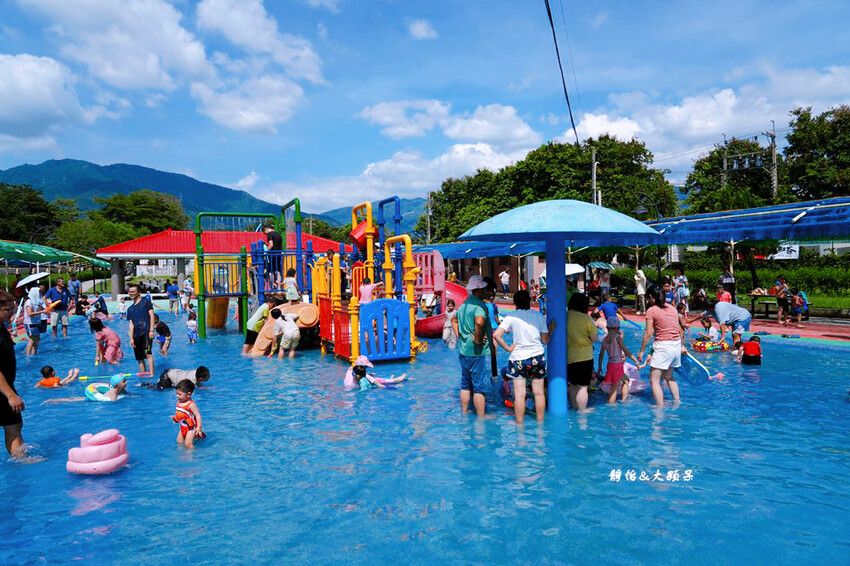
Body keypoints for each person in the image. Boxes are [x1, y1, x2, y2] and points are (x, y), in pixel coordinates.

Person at [492, 290, 554, 424]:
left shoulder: (511, 317)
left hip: (518, 358)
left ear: (515, 303)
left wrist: (508, 348)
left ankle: (519, 426)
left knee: (519, 395)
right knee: (539, 393)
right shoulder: (538, 316)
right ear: (530, 301)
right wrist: (552, 329)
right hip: (537, 357)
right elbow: (545, 341)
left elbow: (496, 335)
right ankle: (540, 424)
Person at [451, 275, 491, 417]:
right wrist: (478, 338)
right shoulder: (480, 306)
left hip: (463, 350)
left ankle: (464, 412)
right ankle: (481, 417)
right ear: (478, 290)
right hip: (476, 351)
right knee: (479, 387)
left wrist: (459, 334)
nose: (486, 291)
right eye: (484, 289)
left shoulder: (463, 305)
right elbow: (480, 322)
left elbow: (454, 320)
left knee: (465, 383)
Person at [638, 285, 683, 406]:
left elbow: (648, 333)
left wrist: (642, 351)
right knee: (669, 377)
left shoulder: (651, 310)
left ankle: (659, 409)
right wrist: (682, 346)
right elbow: (679, 330)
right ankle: (677, 403)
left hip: (664, 347)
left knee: (654, 380)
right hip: (676, 346)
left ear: (652, 297)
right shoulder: (673, 308)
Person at [0, 291, 26, 458]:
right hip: (4, 390)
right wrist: (10, 395)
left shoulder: (2, 327)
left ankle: (20, 462)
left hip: (5, 388)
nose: (12, 312)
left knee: (14, 426)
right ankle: (21, 462)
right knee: (13, 427)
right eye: (8, 309)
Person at [566, 292, 598, 411]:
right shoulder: (586, 319)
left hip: (569, 357)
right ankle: (582, 410)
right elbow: (594, 338)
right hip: (584, 357)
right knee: (583, 387)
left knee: (573, 384)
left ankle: (574, 406)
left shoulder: (564, 316)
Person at [597, 329, 639, 403]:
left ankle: (623, 400)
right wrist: (635, 360)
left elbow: (601, 355)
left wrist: (600, 366)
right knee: (614, 387)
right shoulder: (617, 339)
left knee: (626, 380)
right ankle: (613, 404)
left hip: (610, 365)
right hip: (617, 365)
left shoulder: (605, 340)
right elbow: (626, 351)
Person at [126, 284, 155, 375]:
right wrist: (131, 338)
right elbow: (131, 324)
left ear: (139, 292)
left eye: (133, 291)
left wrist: (151, 330)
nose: (131, 293)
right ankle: (142, 375)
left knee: (148, 354)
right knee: (139, 358)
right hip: (136, 335)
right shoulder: (130, 309)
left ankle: (151, 374)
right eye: (130, 292)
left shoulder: (146, 302)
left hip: (146, 332)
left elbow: (152, 315)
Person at [173, 379, 204, 449]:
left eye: (179, 394)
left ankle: (192, 457)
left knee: (188, 444)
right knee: (179, 441)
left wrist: (199, 427)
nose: (177, 396)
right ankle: (181, 457)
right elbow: (181, 414)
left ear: (189, 394)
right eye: (176, 394)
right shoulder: (179, 402)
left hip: (191, 428)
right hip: (183, 427)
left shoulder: (191, 405)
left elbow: (197, 415)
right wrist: (176, 419)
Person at [23, 286, 48, 357]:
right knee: (31, 340)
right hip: (30, 323)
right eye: (39, 292)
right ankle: (28, 357)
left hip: (36, 322)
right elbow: (29, 313)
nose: (40, 293)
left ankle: (34, 354)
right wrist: (42, 311)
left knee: (37, 339)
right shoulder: (29, 302)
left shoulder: (36, 301)